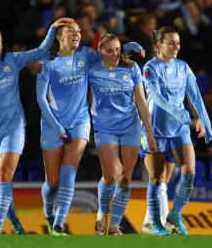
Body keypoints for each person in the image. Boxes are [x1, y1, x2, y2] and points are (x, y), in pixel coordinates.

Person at [0, 18, 72, 235]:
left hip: (14, 127)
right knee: (0, 181)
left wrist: (54, 27)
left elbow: (42, 49)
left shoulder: (12, 60)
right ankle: (16, 225)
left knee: (5, 173)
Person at [36, 20, 142, 236]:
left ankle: (58, 225)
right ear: (59, 37)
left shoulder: (86, 54)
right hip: (51, 123)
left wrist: (132, 46)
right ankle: (48, 214)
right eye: (71, 31)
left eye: (78, 31)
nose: (76, 34)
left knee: (68, 171)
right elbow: (40, 97)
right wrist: (56, 126)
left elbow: (112, 52)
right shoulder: (48, 62)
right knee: (52, 182)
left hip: (80, 121)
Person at [142, 26, 212, 236]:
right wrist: (179, 113)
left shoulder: (183, 67)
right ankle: (155, 224)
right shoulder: (150, 68)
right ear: (159, 45)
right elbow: (156, 96)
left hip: (179, 128)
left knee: (189, 171)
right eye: (171, 42)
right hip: (156, 128)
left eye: (178, 43)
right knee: (156, 177)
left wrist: (203, 120)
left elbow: (195, 95)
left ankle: (175, 214)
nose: (176, 47)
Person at [90, 34, 157, 236]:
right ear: (100, 52)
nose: (115, 54)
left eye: (117, 49)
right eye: (109, 50)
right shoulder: (92, 70)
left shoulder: (131, 69)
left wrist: (150, 133)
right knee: (113, 174)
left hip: (130, 126)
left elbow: (141, 101)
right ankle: (102, 212)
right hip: (104, 126)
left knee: (126, 177)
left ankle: (114, 226)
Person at [139, 147, 176, 234]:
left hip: (171, 139)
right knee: (159, 178)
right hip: (152, 140)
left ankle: (147, 222)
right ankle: (163, 222)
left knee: (163, 183)